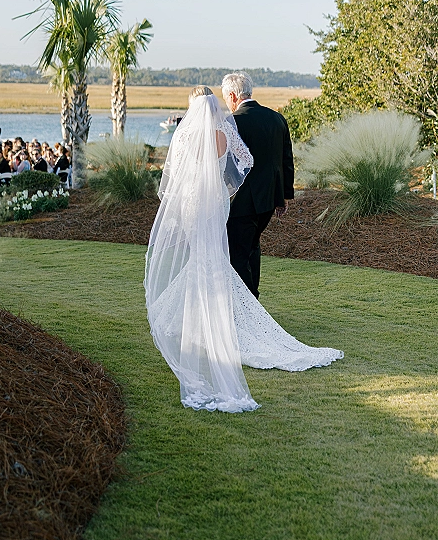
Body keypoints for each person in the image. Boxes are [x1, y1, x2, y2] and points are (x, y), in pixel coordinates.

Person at [145, 86, 342, 414]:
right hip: (216, 203)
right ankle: (212, 320)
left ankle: (204, 325)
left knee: (203, 259)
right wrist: (227, 189)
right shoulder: (225, 128)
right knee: (213, 258)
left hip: (194, 202)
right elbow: (246, 160)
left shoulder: (185, 134)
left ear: (194, 106)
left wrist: (181, 204)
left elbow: (173, 177)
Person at [221, 72, 294, 299]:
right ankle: (253, 299)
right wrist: (284, 198)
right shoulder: (276, 118)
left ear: (233, 96)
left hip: (241, 201)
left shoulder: (232, 123)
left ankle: (248, 306)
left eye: (226, 99)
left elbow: (226, 166)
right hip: (269, 201)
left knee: (238, 254)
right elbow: (286, 160)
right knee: (253, 247)